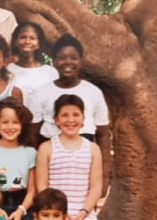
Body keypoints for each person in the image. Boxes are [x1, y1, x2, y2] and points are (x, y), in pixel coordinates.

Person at [30, 33, 110, 189]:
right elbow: (32, 136)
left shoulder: (93, 92)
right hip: (51, 159)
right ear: (54, 61)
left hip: (84, 161)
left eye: (73, 58)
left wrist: (104, 175)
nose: (67, 62)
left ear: (81, 61)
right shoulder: (41, 93)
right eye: (61, 57)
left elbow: (103, 135)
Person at [7, 22, 58, 108]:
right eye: (23, 37)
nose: (27, 41)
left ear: (39, 44)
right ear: (15, 42)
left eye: (32, 38)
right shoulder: (9, 70)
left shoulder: (50, 72)